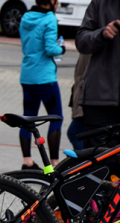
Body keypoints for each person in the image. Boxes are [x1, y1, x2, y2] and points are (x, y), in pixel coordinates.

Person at [18, 0, 66, 169]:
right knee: (56, 117)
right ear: (51, 2)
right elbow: (50, 49)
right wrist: (62, 48)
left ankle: (27, 161)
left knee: (27, 118)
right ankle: (54, 164)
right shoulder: (49, 18)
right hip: (45, 78)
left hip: (27, 75)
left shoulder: (26, 16)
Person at [75, 0, 120, 148]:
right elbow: (81, 41)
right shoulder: (100, 3)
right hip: (101, 102)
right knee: (100, 167)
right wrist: (102, 34)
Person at [67, 53, 90, 151]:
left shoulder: (93, 41)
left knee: (74, 132)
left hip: (89, 98)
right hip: (87, 96)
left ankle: (88, 164)